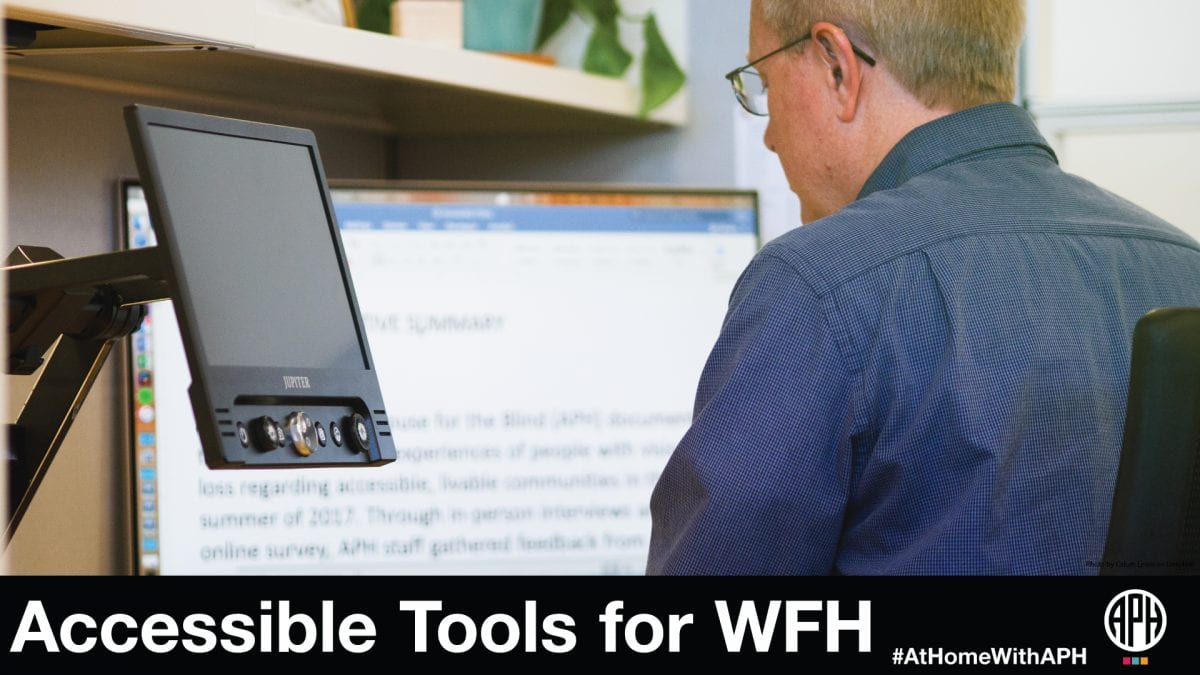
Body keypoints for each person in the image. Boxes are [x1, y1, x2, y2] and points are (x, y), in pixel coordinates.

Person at [646, 0, 1200, 575]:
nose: (769, 138)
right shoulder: (1187, 268)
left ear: (837, 66)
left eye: (764, 81)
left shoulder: (819, 287)